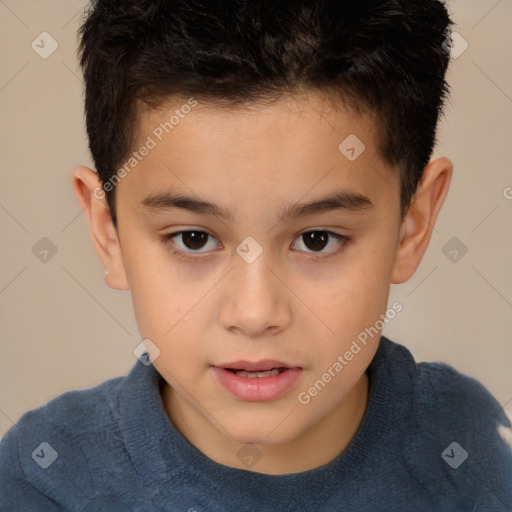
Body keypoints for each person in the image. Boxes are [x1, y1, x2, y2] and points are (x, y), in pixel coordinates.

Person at [1, 0, 511, 510]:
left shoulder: (480, 458)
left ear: (411, 226)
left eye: (317, 239)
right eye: (193, 239)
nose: (254, 313)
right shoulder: (42, 483)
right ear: (108, 231)